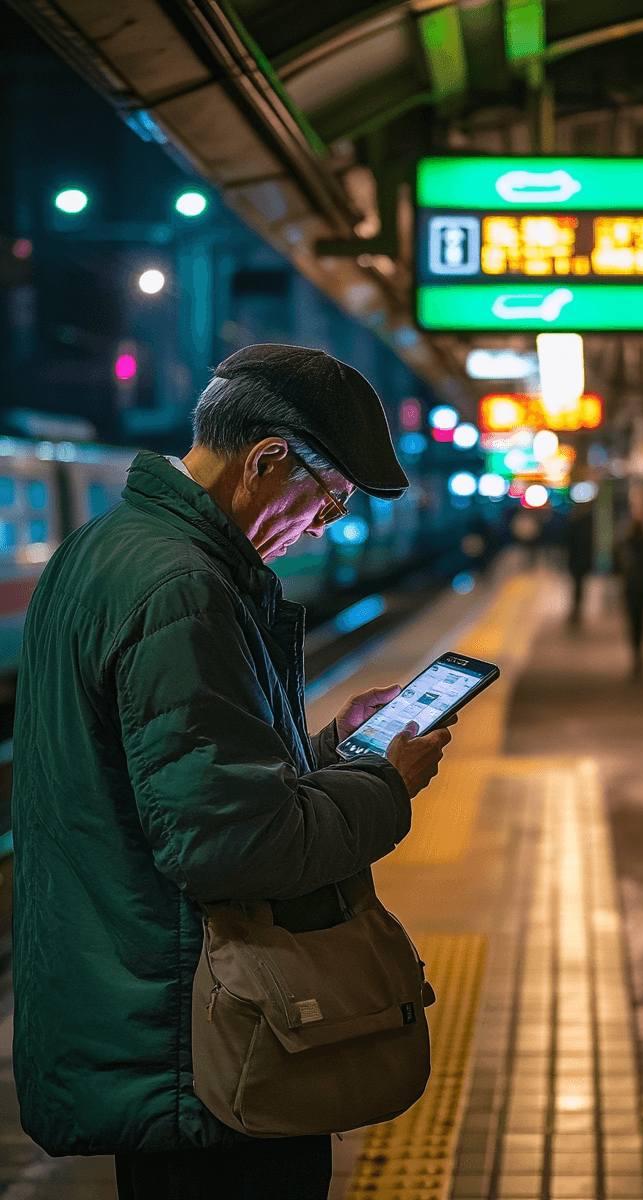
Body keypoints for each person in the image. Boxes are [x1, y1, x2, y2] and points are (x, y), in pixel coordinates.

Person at [11, 344, 455, 1200]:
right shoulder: (185, 587)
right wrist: (386, 783)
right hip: (203, 1039)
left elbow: (181, 783)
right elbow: (233, 845)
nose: (322, 528)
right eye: (329, 500)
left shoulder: (102, 548)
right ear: (267, 460)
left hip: (143, 1003)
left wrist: (332, 747)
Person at [615, 514, 643, 677]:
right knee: (641, 622)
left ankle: (636, 652)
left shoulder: (625, 544)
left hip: (630, 590)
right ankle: (639, 652)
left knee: (633, 623)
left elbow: (618, 566)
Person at [563, 501, 595, 626]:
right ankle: (577, 609)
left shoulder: (575, 522)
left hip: (576, 560)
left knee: (577, 585)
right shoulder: (587, 523)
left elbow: (568, 541)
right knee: (579, 586)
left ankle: (576, 610)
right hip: (581, 560)